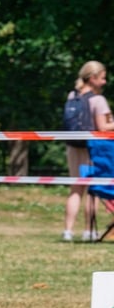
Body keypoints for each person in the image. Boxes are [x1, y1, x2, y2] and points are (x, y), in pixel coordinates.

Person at [62, 61, 108, 242]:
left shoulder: (71, 96)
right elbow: (103, 127)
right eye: (102, 78)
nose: (104, 82)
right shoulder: (98, 100)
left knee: (75, 189)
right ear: (93, 78)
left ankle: (68, 231)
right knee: (92, 189)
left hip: (73, 146)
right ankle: (89, 230)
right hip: (91, 147)